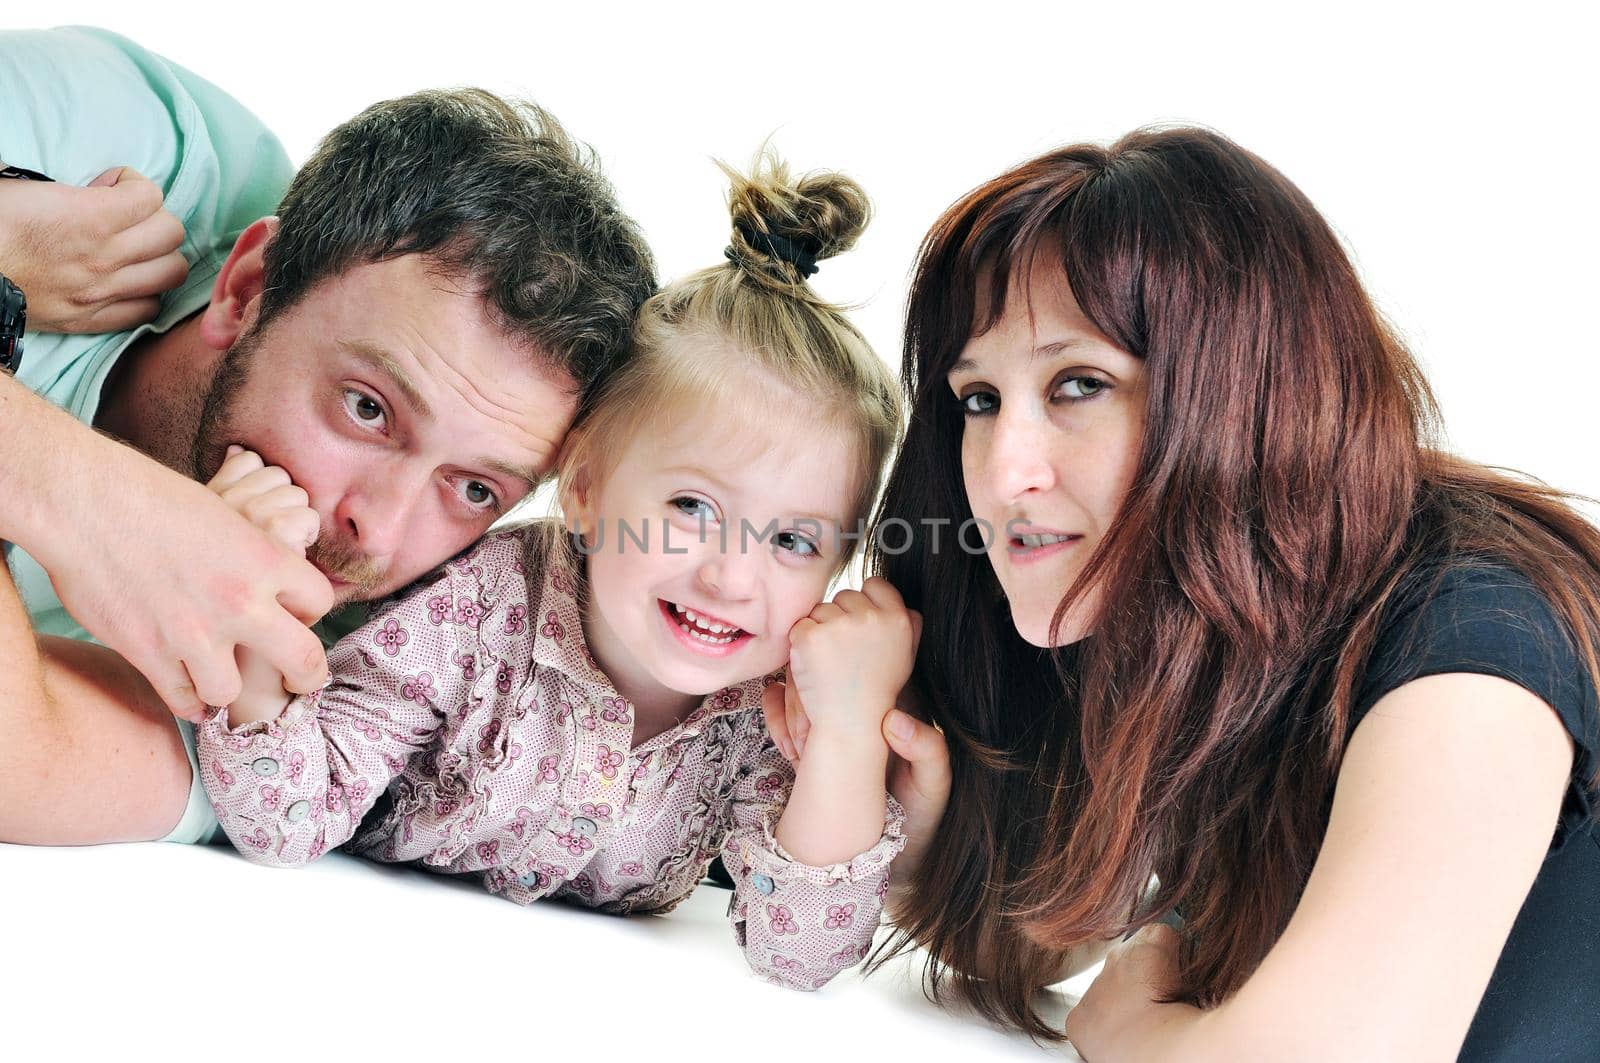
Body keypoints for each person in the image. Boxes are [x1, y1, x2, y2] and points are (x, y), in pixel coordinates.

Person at [768, 127, 1600, 1060]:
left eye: (1079, 383)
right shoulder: (1197, 633)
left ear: (1245, 399)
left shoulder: (1475, 649)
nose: (1002, 476)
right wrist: (919, 831)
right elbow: (1042, 946)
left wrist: (1127, 1027)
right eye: (979, 399)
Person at [192, 152, 916, 990]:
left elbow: (802, 956)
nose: (732, 576)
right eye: (692, 508)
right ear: (584, 489)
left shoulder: (773, 706)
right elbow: (285, 819)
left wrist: (851, 735)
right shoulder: (474, 616)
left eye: (794, 541)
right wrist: (251, 593)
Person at [0, 27, 655, 847]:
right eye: (369, 409)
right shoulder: (133, 146)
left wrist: (78, 494)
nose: (375, 530)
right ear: (245, 290)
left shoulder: (350, 681)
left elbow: (19, 760)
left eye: (476, 489)